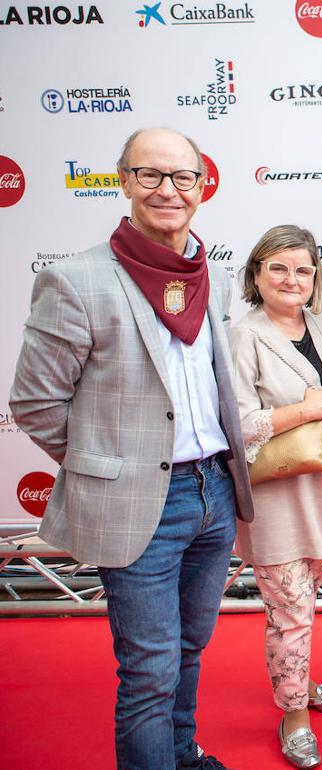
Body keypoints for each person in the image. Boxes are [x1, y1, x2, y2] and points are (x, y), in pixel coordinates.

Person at [9, 127, 255, 770]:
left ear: (203, 186)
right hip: (142, 502)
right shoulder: (77, 280)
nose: (167, 190)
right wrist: (109, 469)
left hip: (215, 493)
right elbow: (35, 403)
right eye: (149, 175)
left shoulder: (216, 276)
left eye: (182, 177)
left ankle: (181, 751)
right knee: (149, 669)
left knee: (191, 648)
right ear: (123, 181)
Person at [229, 225, 322, 768]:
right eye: (278, 268)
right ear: (255, 275)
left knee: (301, 607)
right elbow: (236, 422)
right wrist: (304, 412)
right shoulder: (241, 335)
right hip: (278, 502)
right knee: (290, 613)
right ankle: (293, 714)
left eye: (303, 270)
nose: (292, 279)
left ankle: (302, 684)